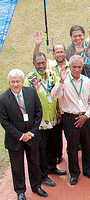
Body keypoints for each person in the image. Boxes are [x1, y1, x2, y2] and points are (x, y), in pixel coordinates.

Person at [0, 69, 47, 200]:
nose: (15, 84)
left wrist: (31, 133)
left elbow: (39, 112)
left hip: (32, 137)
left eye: (18, 81)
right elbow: (4, 122)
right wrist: (21, 135)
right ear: (9, 83)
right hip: (15, 140)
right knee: (17, 166)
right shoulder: (3, 99)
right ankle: (20, 191)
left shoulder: (31, 92)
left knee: (34, 163)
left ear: (22, 82)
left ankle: (36, 186)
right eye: (12, 82)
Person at [51, 55, 90, 185]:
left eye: (79, 67)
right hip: (70, 118)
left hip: (85, 117)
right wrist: (60, 81)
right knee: (72, 147)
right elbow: (54, 95)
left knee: (87, 145)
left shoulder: (87, 81)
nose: (77, 69)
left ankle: (88, 170)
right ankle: (74, 173)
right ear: (69, 67)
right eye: (74, 67)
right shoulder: (64, 81)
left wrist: (86, 116)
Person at [24, 53, 67, 188]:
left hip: (53, 118)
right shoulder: (29, 79)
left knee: (53, 145)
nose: (41, 66)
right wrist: (34, 91)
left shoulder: (51, 74)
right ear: (34, 64)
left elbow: (57, 93)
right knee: (41, 149)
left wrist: (59, 111)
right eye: (38, 64)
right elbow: (27, 101)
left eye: (43, 63)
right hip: (40, 122)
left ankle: (52, 167)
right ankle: (43, 175)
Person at [34, 33, 67, 164]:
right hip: (43, 117)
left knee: (55, 138)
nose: (59, 54)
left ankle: (55, 162)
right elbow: (37, 59)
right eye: (56, 52)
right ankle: (46, 169)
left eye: (61, 51)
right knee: (44, 144)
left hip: (57, 111)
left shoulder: (66, 67)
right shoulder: (35, 76)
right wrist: (37, 45)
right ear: (53, 55)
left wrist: (58, 111)